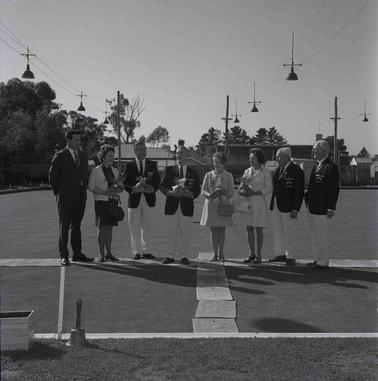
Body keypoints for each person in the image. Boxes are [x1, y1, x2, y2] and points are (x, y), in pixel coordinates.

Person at [49, 130, 94, 266]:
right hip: (65, 198)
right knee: (64, 227)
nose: (79, 142)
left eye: (80, 140)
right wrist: (59, 192)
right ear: (68, 141)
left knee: (77, 227)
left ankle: (77, 254)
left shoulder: (83, 155)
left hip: (81, 198)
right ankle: (64, 255)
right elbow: (52, 177)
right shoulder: (60, 155)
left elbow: (85, 175)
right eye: (76, 140)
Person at [160, 142, 201, 265]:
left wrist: (191, 195)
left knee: (185, 232)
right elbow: (162, 187)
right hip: (171, 205)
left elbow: (197, 190)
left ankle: (184, 256)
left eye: (182, 153)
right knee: (171, 231)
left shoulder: (193, 173)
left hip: (186, 206)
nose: (179, 155)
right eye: (177, 153)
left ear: (187, 155)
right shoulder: (168, 170)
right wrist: (170, 193)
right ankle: (169, 255)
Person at [233, 148, 272, 264]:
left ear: (259, 159)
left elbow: (269, 188)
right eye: (249, 158)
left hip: (259, 203)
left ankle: (259, 254)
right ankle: (251, 253)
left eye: (253, 158)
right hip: (247, 204)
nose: (250, 160)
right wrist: (243, 187)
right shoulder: (246, 172)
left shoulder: (266, 172)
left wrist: (255, 192)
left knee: (259, 229)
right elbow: (240, 188)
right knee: (249, 228)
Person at [305, 140, 340, 269]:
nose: (313, 151)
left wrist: (331, 207)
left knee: (323, 235)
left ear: (323, 151)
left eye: (315, 149)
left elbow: (334, 189)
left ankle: (323, 261)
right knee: (314, 235)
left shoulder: (331, 167)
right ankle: (316, 259)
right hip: (312, 207)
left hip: (323, 208)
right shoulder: (316, 165)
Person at [123, 141, 160, 260]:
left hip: (148, 199)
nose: (141, 152)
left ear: (146, 151)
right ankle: (137, 252)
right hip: (134, 200)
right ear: (135, 151)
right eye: (139, 149)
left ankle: (146, 251)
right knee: (134, 227)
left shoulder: (153, 165)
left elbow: (157, 182)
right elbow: (124, 183)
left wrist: (152, 188)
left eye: (143, 149)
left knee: (147, 227)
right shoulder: (129, 165)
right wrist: (132, 189)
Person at [268, 147, 305, 266]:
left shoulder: (296, 170)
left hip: (288, 207)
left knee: (289, 232)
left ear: (286, 157)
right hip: (276, 205)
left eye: (279, 156)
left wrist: (295, 208)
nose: (277, 159)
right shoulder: (278, 170)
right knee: (277, 231)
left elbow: (298, 191)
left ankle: (291, 256)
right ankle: (280, 254)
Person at [88, 144, 123, 262]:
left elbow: (121, 187)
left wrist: (117, 189)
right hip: (101, 203)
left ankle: (109, 253)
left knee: (110, 228)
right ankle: (101, 254)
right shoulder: (95, 170)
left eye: (113, 156)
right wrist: (106, 193)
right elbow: (91, 187)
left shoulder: (115, 170)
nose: (112, 158)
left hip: (113, 203)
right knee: (103, 228)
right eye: (109, 155)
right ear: (103, 156)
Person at [200, 152, 234, 261]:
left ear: (223, 163)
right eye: (214, 162)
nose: (215, 164)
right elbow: (203, 190)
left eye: (218, 162)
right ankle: (215, 254)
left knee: (222, 230)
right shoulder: (208, 175)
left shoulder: (229, 176)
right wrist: (209, 195)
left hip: (223, 205)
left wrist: (225, 195)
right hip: (211, 205)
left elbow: (231, 191)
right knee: (214, 230)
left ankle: (222, 253)